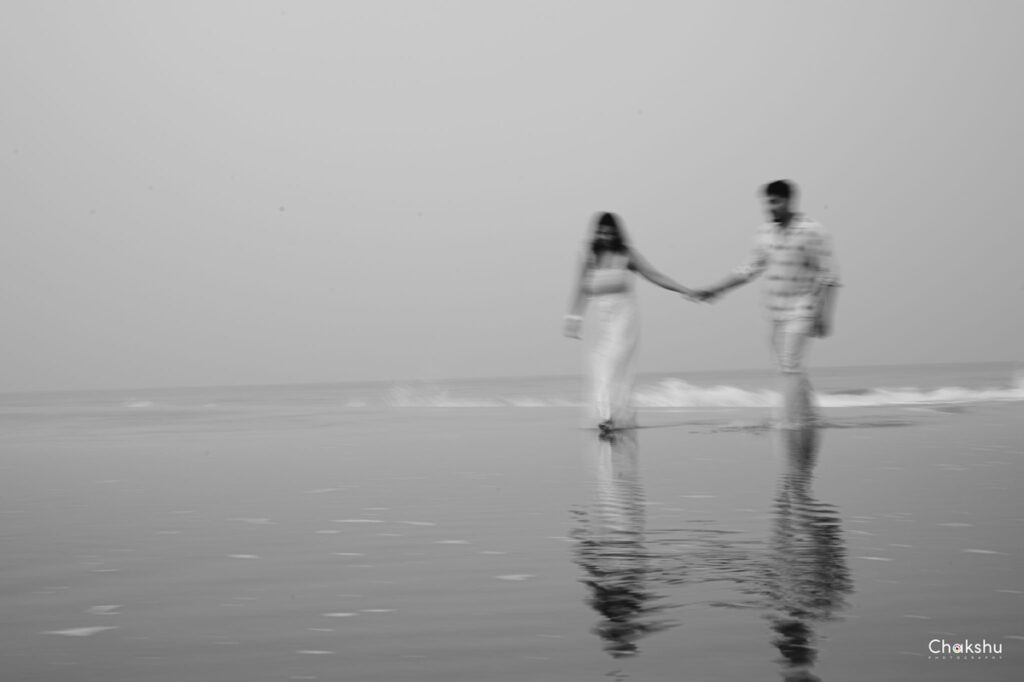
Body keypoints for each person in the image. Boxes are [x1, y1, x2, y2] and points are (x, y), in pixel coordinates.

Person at [695, 180, 840, 428]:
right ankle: (809, 416)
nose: (770, 207)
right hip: (775, 312)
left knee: (790, 364)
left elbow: (829, 276)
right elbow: (747, 269)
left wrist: (825, 315)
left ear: (789, 201)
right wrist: (716, 289)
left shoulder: (812, 230)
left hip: (804, 308)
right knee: (787, 365)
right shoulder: (764, 233)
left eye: (775, 202)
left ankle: (787, 420)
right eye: (767, 202)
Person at [564, 212, 696, 432]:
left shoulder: (627, 255)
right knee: (599, 367)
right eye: (601, 231)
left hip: (624, 319)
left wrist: (684, 289)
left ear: (616, 233)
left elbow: (655, 275)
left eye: (608, 231)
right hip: (600, 320)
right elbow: (581, 288)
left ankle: (610, 417)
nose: (604, 235)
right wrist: (574, 318)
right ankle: (607, 417)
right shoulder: (589, 256)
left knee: (613, 366)